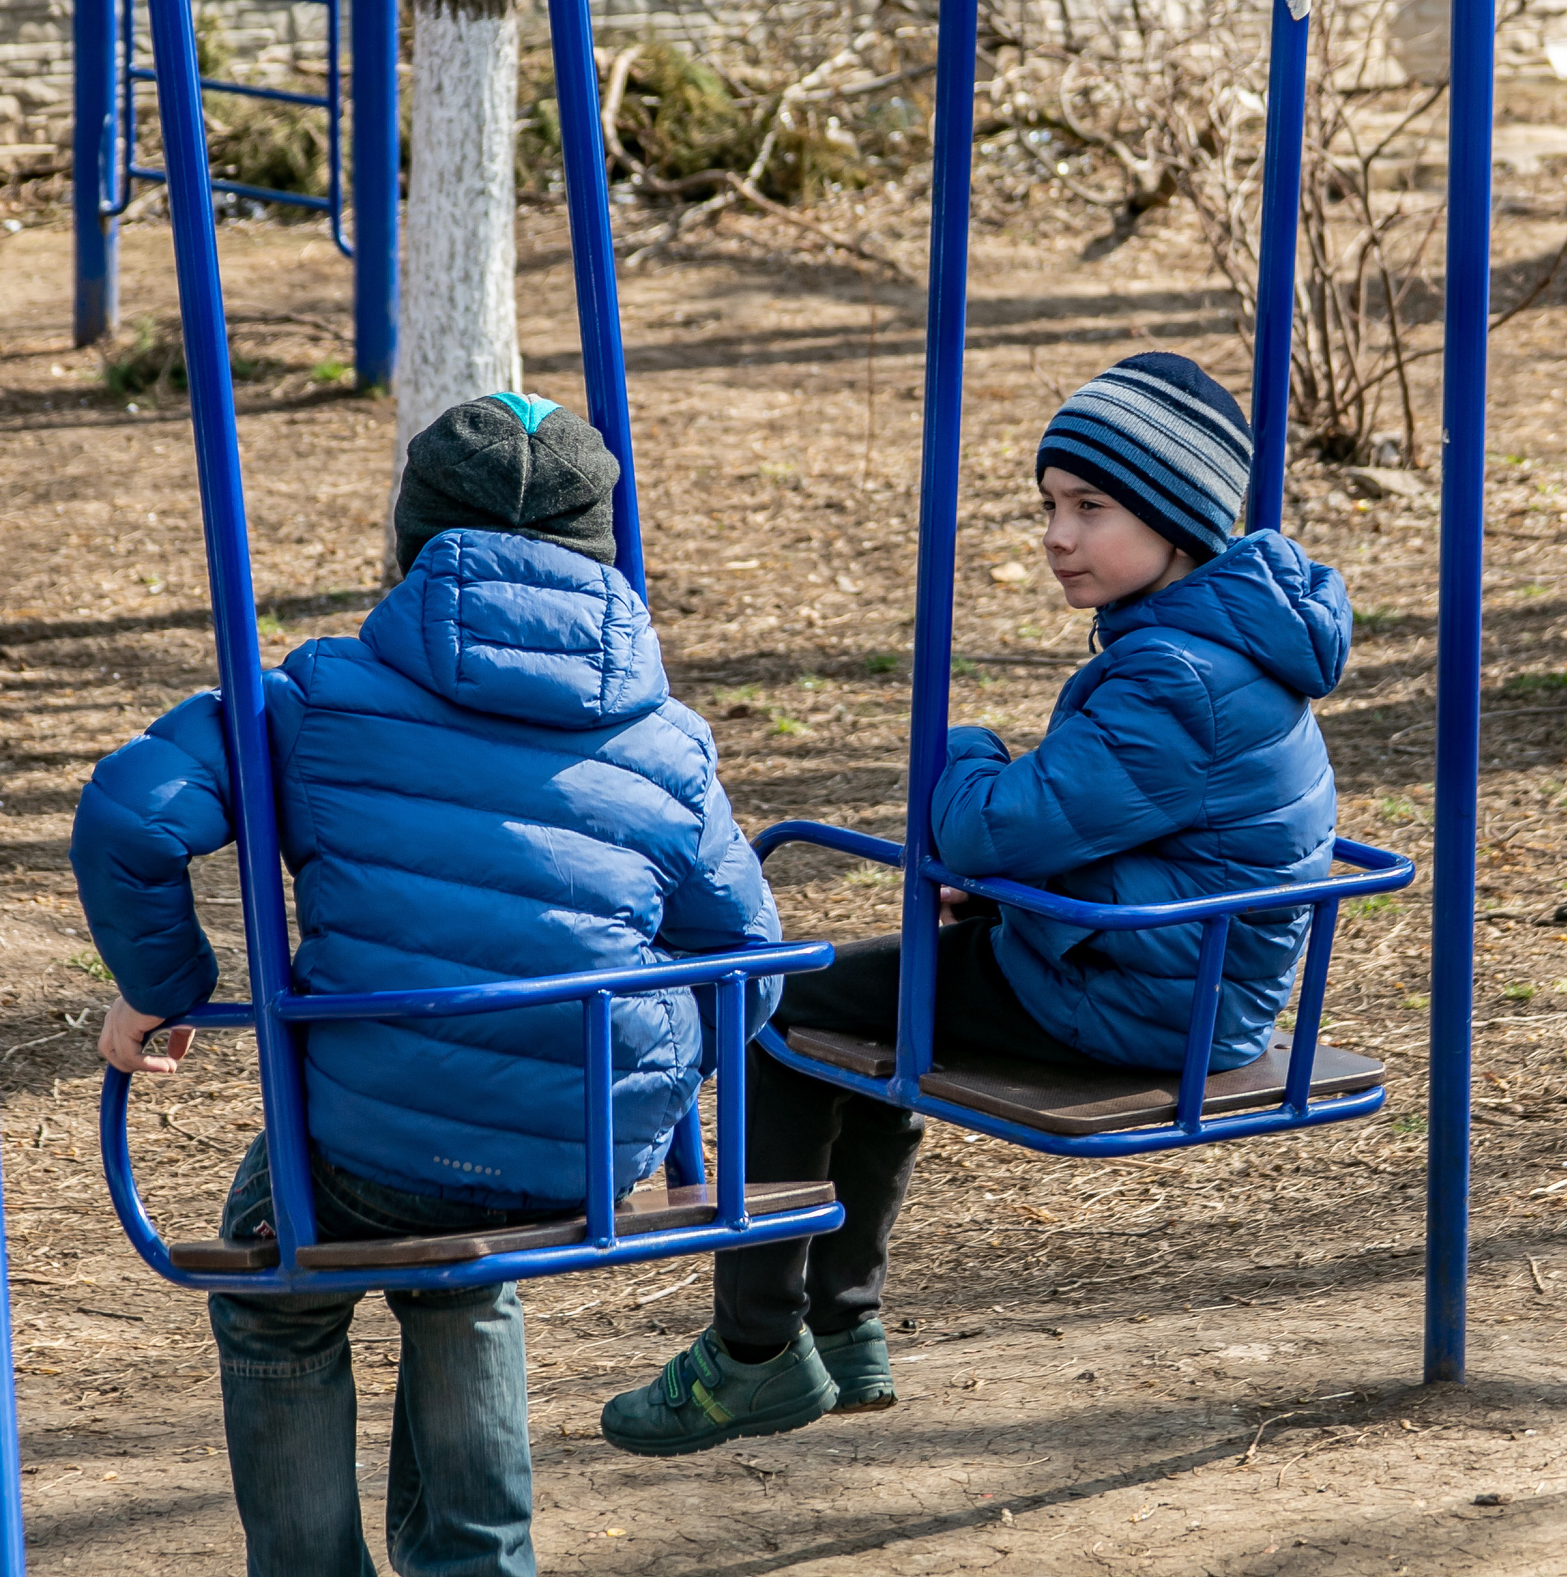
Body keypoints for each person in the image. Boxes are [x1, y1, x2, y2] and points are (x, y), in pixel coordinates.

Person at [73, 393, 779, 1577]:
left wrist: (166, 986)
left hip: (369, 1150)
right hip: (575, 1160)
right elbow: (747, 964)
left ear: (412, 548)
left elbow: (130, 814)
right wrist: (655, 1099)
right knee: (466, 1272)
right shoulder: (668, 741)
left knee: (280, 1279)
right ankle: (475, 1560)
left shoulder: (311, 700)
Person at [601, 351, 1348, 1456]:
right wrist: (1007, 891)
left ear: (1178, 520)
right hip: (1156, 972)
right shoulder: (1217, 646)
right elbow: (1114, 834)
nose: (1057, 536)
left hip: (1136, 999)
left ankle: (757, 1351)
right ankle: (842, 1334)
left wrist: (964, 749)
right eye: (1050, 505)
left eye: (1091, 508)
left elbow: (986, 827)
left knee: (779, 1014)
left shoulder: (1177, 677)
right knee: (872, 1011)